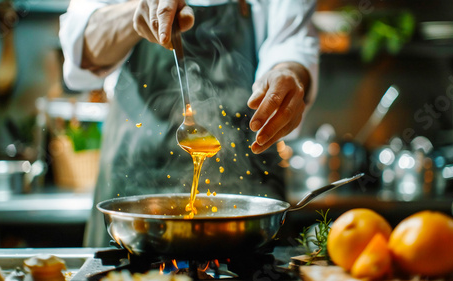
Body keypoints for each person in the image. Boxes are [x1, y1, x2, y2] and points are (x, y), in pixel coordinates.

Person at [59, 0, 319, 247]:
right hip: (132, 181)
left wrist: (288, 74)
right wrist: (134, 14)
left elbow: (292, 40)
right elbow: (79, 47)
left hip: (248, 184)